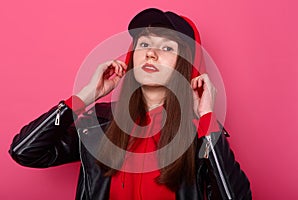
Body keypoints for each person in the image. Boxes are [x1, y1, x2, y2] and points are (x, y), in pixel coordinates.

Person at [9, 8, 252, 200]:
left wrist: (206, 116)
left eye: (166, 47)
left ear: (185, 65)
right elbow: (24, 152)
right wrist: (84, 97)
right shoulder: (99, 125)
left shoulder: (200, 133)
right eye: (144, 44)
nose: (150, 54)